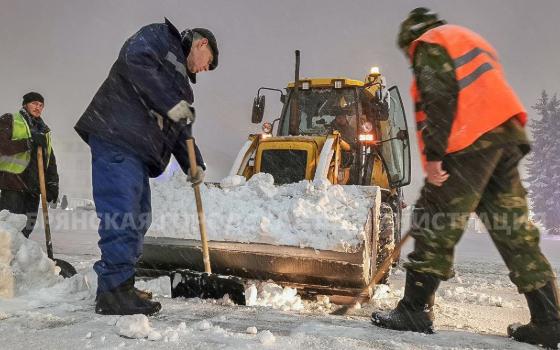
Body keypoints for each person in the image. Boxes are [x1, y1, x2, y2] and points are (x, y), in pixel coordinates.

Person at [371, 8, 559, 349]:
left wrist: (435, 157)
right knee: (514, 231)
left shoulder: (429, 44)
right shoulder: (468, 40)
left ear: (411, 39)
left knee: (435, 219)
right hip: (504, 138)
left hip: (469, 141)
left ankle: (414, 310)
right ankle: (549, 322)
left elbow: (439, 98)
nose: (411, 59)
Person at [74, 18, 218, 316]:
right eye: (209, 62)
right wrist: (171, 104)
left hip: (138, 150)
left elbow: (179, 131)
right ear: (202, 43)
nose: (205, 69)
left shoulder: (181, 88)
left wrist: (195, 163)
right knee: (122, 214)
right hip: (117, 134)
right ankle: (113, 293)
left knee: (139, 217)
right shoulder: (160, 37)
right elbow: (134, 61)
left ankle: (121, 283)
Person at [0, 92, 59, 237]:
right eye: (34, 103)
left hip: (33, 188)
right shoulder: (10, 120)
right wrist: (29, 142)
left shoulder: (44, 131)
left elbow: (49, 160)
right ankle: (4, 258)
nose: (38, 107)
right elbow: (2, 146)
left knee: (26, 230)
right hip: (12, 185)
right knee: (8, 230)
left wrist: (52, 184)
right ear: (25, 104)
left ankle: (21, 259)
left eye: (41, 105)